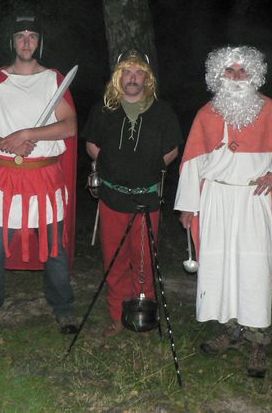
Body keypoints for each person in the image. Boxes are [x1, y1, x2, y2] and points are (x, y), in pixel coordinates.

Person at [174, 46, 272, 377]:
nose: (236, 77)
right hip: (216, 198)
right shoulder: (206, 114)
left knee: (254, 266)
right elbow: (193, 163)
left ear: (254, 74)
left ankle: (258, 339)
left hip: (253, 198)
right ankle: (230, 329)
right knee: (220, 264)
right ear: (218, 75)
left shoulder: (270, 110)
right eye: (229, 71)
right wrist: (188, 205)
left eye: (242, 71)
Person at [0, 16, 79, 334]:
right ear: (12, 42)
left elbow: (69, 126)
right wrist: (5, 143)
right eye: (21, 36)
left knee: (55, 249)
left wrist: (28, 133)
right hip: (5, 179)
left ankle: (64, 309)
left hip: (45, 177)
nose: (27, 42)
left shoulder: (53, 79)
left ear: (40, 41)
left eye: (32, 36)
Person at [82, 49, 182, 337]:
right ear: (119, 77)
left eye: (139, 73)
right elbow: (92, 144)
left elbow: (173, 148)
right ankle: (117, 316)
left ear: (147, 79)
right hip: (112, 198)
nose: (133, 78)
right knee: (114, 260)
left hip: (146, 198)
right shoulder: (104, 110)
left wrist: (150, 168)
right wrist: (111, 167)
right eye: (127, 72)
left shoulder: (162, 111)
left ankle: (143, 315)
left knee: (144, 261)